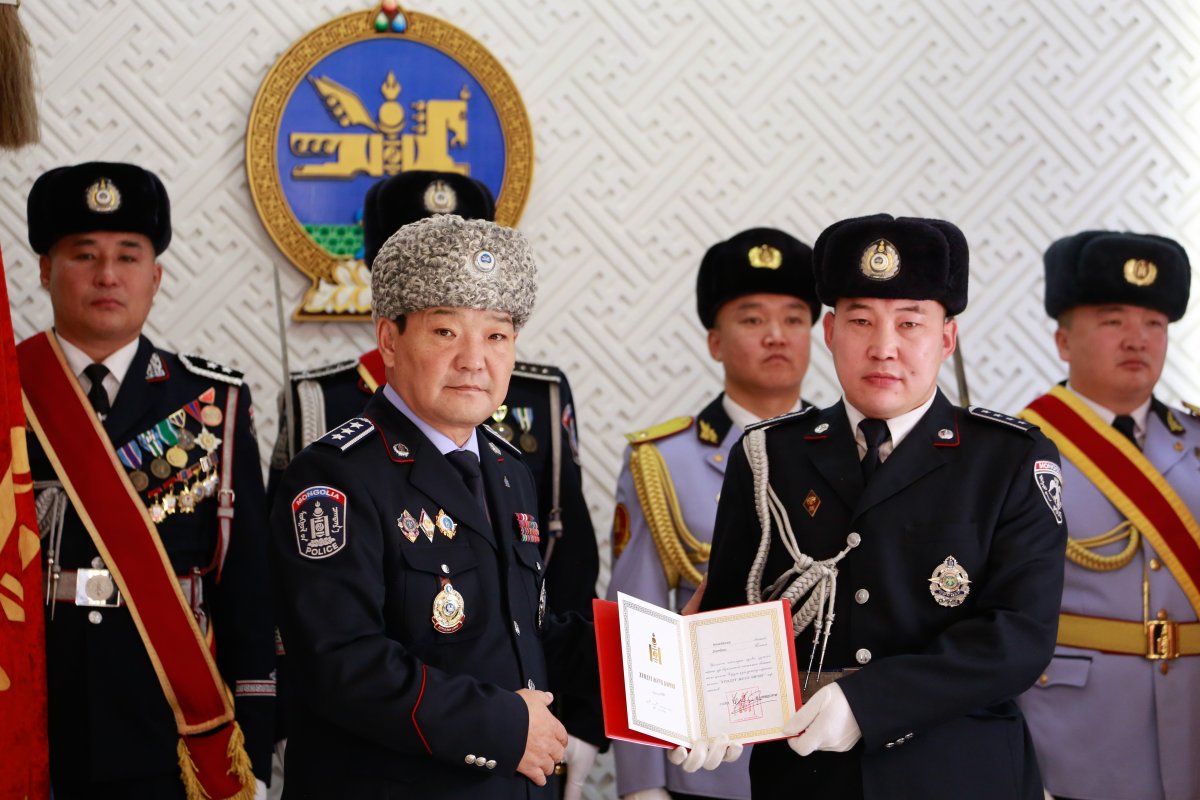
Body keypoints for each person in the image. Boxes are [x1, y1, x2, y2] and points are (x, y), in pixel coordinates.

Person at [700, 213, 1067, 800]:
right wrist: (702, 706)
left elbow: (1019, 636)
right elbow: (729, 609)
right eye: (861, 321)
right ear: (829, 331)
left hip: (958, 773)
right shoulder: (769, 454)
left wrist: (867, 704)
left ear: (947, 337)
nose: (884, 348)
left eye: (910, 322)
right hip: (807, 775)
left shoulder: (1009, 459)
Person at [266, 171, 604, 788]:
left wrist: (668, 671)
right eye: (446, 332)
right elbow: (345, 663)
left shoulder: (508, 469)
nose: (474, 360)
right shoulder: (333, 476)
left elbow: (521, 633)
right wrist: (505, 726)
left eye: (496, 335)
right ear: (389, 340)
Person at [19, 162, 275, 799]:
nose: (108, 275)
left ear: (155, 277)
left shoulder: (212, 402)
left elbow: (247, 584)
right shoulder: (7, 391)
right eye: (84, 255)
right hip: (30, 718)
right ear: (46, 269)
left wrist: (257, 728)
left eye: (128, 256)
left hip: (168, 727)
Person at [607, 227, 819, 800]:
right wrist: (641, 782)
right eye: (752, 319)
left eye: (795, 318)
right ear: (715, 341)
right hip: (708, 763)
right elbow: (638, 619)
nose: (776, 335)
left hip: (829, 756)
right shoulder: (663, 461)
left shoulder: (852, 452)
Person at [1016, 231, 1200, 800]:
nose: (1137, 339)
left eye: (1154, 323)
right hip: (1074, 734)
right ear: (1063, 340)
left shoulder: (1196, 443)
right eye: (1113, 320)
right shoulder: (1014, 451)